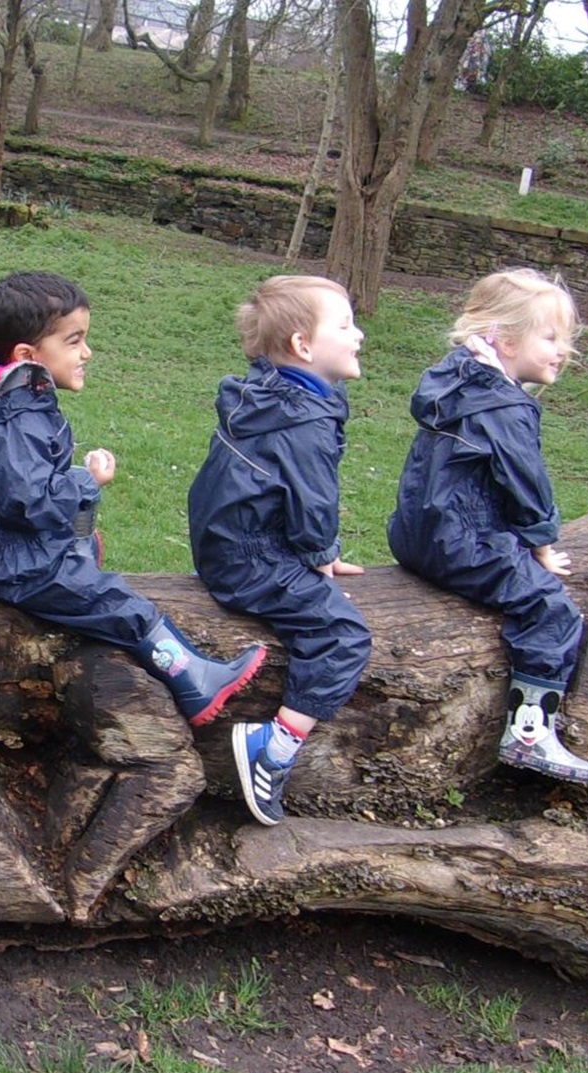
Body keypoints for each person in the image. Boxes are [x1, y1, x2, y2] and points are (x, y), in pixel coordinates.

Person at [0, 271, 265, 725]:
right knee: (116, 602)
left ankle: (78, 548)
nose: (87, 352)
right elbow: (29, 506)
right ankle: (196, 680)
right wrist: (87, 481)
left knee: (79, 513)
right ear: (27, 355)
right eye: (74, 341)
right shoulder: (12, 422)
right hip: (6, 559)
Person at [387, 268, 588, 784]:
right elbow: (525, 479)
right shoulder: (503, 404)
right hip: (463, 540)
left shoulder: (455, 380)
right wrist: (541, 544)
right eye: (550, 337)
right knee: (551, 609)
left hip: (416, 534)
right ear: (503, 339)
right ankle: (530, 737)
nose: (562, 349)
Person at [188, 276, 374, 826]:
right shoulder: (301, 420)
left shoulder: (274, 397)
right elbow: (313, 503)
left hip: (231, 542)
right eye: (344, 325)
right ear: (303, 346)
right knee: (344, 635)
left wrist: (318, 551)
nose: (359, 335)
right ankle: (274, 745)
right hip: (248, 558)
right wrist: (319, 554)